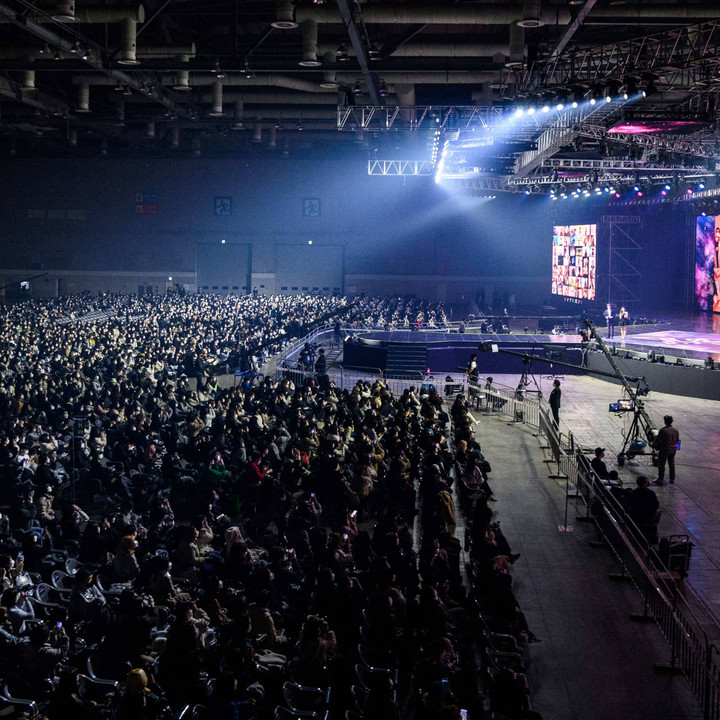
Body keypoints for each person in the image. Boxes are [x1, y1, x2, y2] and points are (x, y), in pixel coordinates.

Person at [627, 476, 660, 543]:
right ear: (645, 483)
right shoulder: (651, 493)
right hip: (647, 515)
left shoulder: (633, 492)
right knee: (658, 513)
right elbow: (656, 506)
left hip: (636, 515)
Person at [654, 415, 680, 486]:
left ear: (665, 422)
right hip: (673, 450)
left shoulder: (663, 430)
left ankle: (660, 479)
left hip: (665, 449)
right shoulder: (676, 430)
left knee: (661, 464)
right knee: (671, 464)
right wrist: (676, 449)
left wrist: (654, 445)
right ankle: (672, 479)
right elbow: (678, 440)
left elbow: (657, 440)